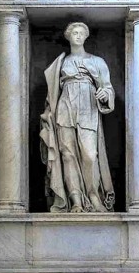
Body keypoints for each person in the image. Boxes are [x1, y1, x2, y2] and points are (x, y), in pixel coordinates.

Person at [40, 22, 116, 213]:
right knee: (67, 154)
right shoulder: (60, 63)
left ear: (86, 37)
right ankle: (75, 200)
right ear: (68, 36)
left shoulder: (97, 61)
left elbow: (106, 86)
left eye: (82, 33)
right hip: (65, 106)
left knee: (90, 155)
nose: (78, 36)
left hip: (88, 105)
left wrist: (106, 95)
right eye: (75, 32)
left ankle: (93, 196)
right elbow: (52, 92)